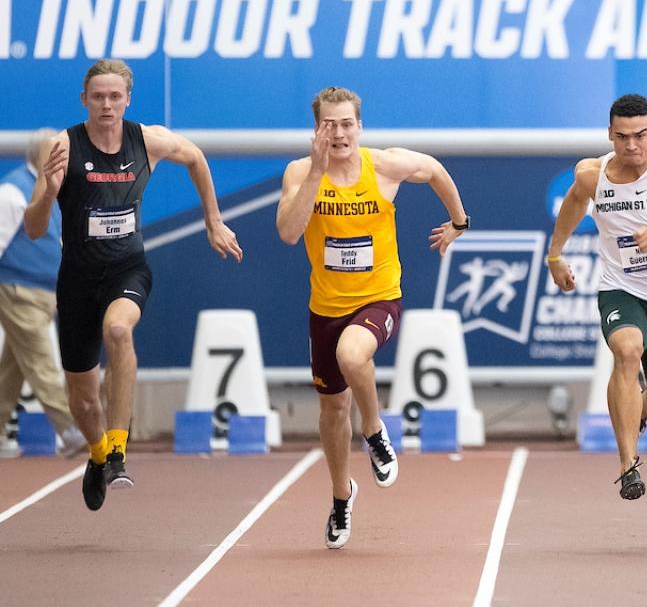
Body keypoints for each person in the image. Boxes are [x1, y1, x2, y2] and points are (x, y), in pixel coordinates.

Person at [23, 59, 243, 510]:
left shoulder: (148, 140)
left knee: (120, 330)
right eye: (98, 97)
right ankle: (98, 453)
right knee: (83, 399)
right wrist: (48, 191)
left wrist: (213, 220)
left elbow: (196, 158)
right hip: (78, 279)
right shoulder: (62, 146)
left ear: (127, 99)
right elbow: (33, 227)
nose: (106, 104)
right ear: (84, 99)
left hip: (128, 268)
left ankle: (119, 450)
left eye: (114, 96)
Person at [276, 86, 470, 549]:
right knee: (331, 409)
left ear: (359, 127)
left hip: (379, 297)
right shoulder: (301, 172)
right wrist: (317, 173)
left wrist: (459, 222)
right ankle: (342, 496)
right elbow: (288, 232)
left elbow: (435, 169)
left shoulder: (384, 165)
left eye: (347, 124)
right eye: (329, 125)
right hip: (326, 306)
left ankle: (375, 429)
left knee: (353, 354)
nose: (339, 134)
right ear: (317, 130)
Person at [546, 94, 647, 500]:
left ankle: (637, 410)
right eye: (622, 137)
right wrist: (555, 255)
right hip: (621, 288)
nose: (631, 145)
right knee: (627, 350)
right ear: (609, 134)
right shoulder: (591, 174)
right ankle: (628, 464)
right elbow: (574, 203)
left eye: (640, 135)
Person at [0, 129, 85, 458]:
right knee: (41, 361)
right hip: (18, 290)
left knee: (12, 368)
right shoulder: (12, 191)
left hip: (46, 292)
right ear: (41, 155)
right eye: (59, 153)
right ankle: (72, 429)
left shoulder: (57, 190)